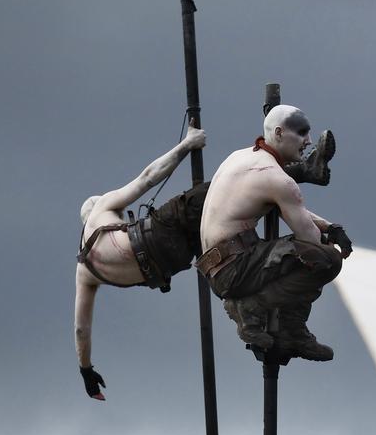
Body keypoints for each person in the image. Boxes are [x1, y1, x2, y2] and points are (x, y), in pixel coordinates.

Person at [75, 120, 337, 398]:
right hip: (163, 232)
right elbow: (148, 177)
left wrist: (86, 371)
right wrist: (187, 144)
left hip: (175, 259)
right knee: (231, 187)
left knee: (235, 209)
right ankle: (304, 170)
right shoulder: (100, 209)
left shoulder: (84, 274)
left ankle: (251, 310)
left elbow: (82, 328)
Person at [197, 105, 352, 362]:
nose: (308, 141)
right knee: (325, 259)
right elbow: (309, 238)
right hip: (235, 269)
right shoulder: (277, 179)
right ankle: (254, 311)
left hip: (219, 265)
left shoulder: (242, 158)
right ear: (279, 133)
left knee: (314, 251)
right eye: (301, 133)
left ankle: (289, 329)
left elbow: (284, 206)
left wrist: (331, 228)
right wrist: (328, 239)